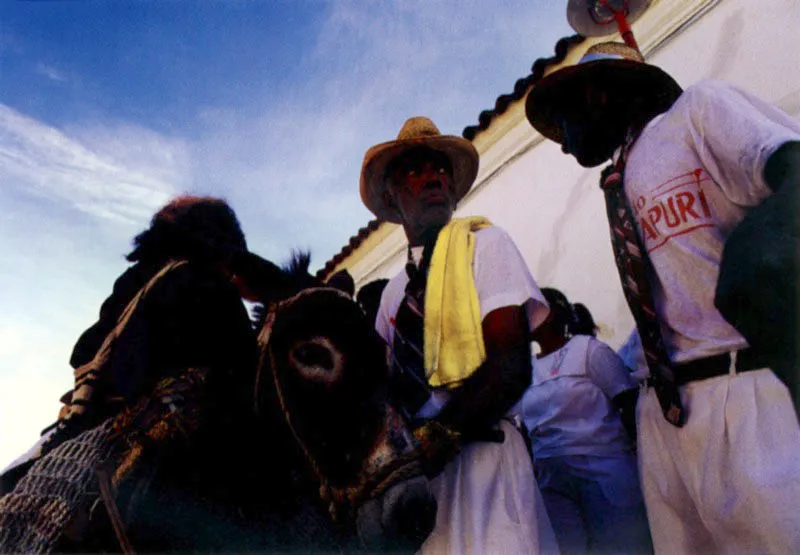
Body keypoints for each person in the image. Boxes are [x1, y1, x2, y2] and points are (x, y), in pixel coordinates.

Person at [525, 41, 800, 553]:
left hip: (743, 396)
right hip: (666, 419)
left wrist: (755, 269)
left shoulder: (698, 111)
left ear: (597, 94)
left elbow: (793, 168)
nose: (563, 144)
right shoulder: (620, 175)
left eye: (564, 122)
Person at [359, 116, 558, 553]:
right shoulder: (392, 295)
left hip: (484, 463)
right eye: (414, 168)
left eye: (441, 168)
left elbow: (510, 365)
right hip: (421, 487)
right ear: (391, 194)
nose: (433, 176)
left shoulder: (486, 245)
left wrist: (432, 441)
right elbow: (379, 392)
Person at [512, 288, 650, 554]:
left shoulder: (588, 350)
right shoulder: (525, 369)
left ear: (554, 313)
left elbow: (628, 401)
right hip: (553, 479)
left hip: (604, 471)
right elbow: (523, 427)